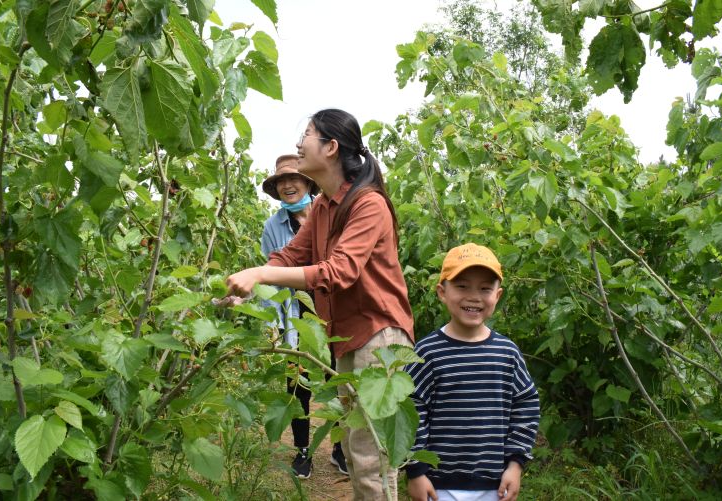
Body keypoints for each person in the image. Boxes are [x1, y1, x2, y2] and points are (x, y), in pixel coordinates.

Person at [226, 108, 414, 500]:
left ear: (330, 147)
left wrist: (260, 275)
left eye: (307, 134)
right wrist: (248, 284)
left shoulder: (368, 204)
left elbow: (338, 271)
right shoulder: (326, 206)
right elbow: (292, 254)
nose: (299, 143)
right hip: (348, 337)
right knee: (358, 447)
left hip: (380, 337)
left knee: (370, 456)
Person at [404, 243, 540, 501]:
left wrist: (515, 464)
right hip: (438, 483)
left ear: (497, 296)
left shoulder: (507, 353)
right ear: (442, 292)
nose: (474, 296)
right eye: (462, 286)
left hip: (495, 484)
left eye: (485, 288)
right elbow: (411, 410)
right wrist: (416, 471)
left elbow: (526, 404)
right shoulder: (427, 352)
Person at [259, 154, 346, 479]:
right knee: (297, 386)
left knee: (336, 382)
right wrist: (276, 326)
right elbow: (270, 274)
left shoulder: (328, 216)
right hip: (295, 317)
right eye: (281, 181)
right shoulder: (273, 226)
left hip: (331, 315)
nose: (287, 185)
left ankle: (339, 448)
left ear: (308, 181)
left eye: (293, 178)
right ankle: (302, 451)